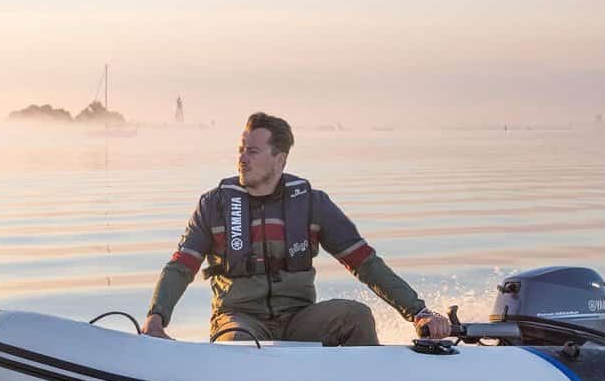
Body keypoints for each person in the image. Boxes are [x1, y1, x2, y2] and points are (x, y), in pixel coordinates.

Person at [141, 112, 451, 344]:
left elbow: (366, 265)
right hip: (239, 319)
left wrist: (418, 312)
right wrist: (156, 318)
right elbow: (180, 267)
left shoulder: (312, 204)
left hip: (298, 318)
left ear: (280, 159)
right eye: (241, 149)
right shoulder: (214, 205)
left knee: (355, 316)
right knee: (239, 343)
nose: (242, 159)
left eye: (252, 151)